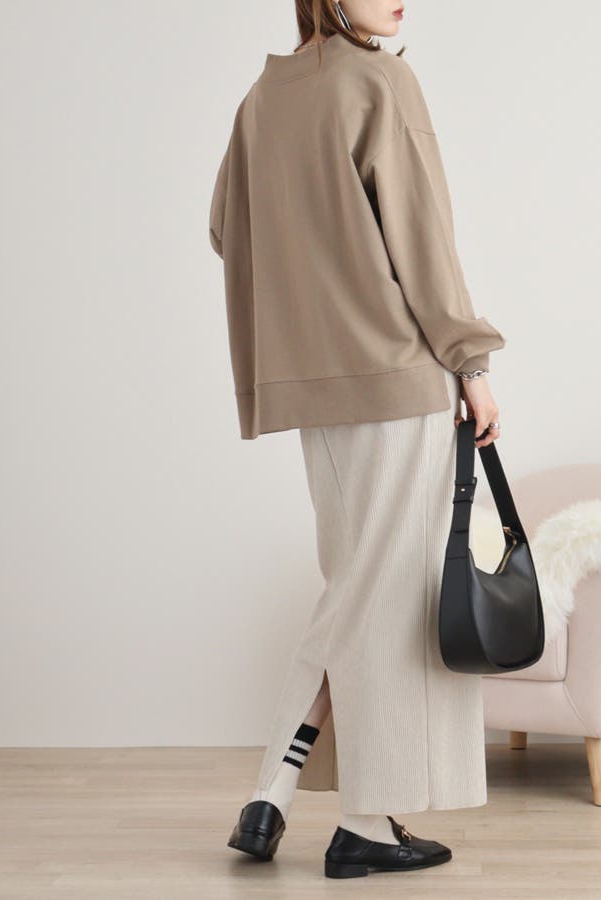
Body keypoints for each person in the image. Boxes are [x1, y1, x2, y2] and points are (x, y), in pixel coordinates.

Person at [209, 0, 505, 880]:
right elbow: (423, 237)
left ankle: (276, 793)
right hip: (395, 376)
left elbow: (226, 227)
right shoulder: (381, 80)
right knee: (378, 595)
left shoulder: (262, 98)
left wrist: (312, 286)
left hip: (313, 386)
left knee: (356, 587)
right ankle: (358, 820)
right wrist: (470, 361)